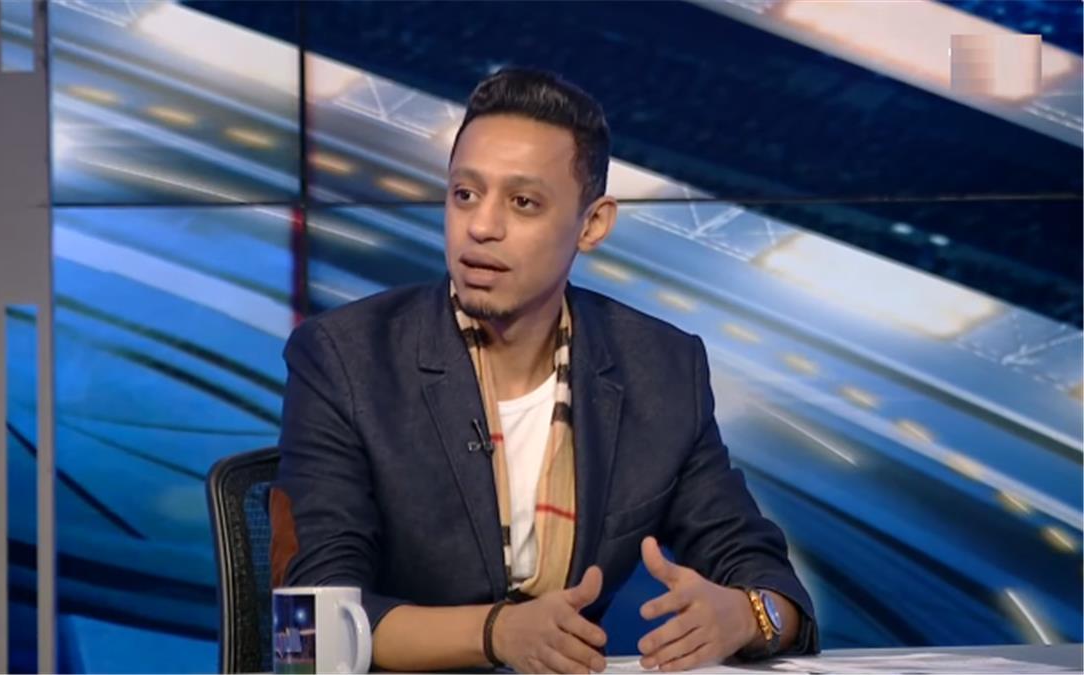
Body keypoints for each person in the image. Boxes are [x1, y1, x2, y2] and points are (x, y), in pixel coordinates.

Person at [274, 67, 818, 673]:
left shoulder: (659, 370)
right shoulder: (346, 359)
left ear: (592, 225)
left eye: (523, 202)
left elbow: (765, 577)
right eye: (465, 194)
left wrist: (746, 615)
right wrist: (496, 632)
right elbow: (308, 630)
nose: (482, 227)